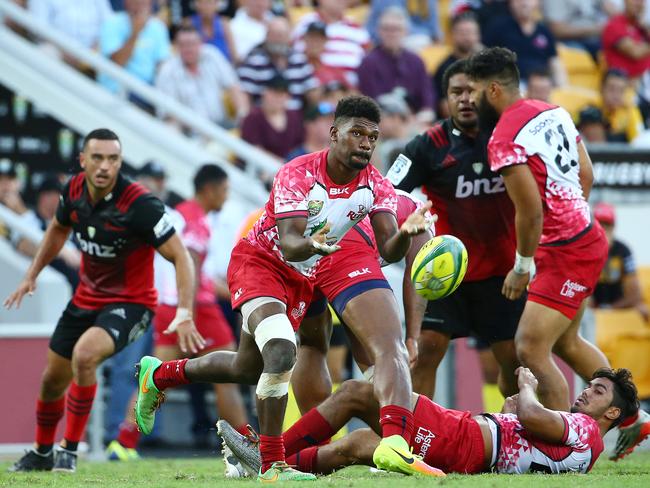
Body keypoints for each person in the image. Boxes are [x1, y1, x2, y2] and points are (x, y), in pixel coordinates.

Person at [133, 95, 438, 481]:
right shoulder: (297, 173)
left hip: (303, 277)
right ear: (334, 134)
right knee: (281, 350)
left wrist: (406, 234)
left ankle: (159, 376)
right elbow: (291, 242)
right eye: (356, 133)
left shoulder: (375, 184)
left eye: (372, 137)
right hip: (261, 264)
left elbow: (388, 248)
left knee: (247, 368)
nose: (365, 143)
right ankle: (273, 465)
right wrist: (316, 244)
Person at [5, 128, 200, 473]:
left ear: (120, 162)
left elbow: (181, 257)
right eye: (97, 158)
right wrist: (32, 273)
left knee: (85, 355)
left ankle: (69, 450)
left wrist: (185, 312)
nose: (105, 166)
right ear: (83, 161)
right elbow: (57, 229)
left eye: (113, 159)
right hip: (86, 297)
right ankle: (41, 451)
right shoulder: (75, 190)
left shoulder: (140, 205)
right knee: (52, 378)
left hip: (132, 303)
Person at [218, 367, 639, 476]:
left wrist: (527, 387)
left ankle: (268, 455)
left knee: (358, 393)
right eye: (591, 385)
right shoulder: (589, 448)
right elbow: (530, 437)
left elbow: (531, 413)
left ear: (612, 414)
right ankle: (277, 468)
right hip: (473, 446)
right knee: (361, 443)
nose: (586, 392)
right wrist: (512, 417)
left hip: (464, 440)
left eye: (598, 392)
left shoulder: (585, 429)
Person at [388, 59, 521, 401]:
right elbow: (388, 192)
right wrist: (404, 223)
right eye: (455, 92)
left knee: (513, 363)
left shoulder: (508, 137)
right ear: (445, 98)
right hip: (447, 274)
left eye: (470, 91)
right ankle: (418, 442)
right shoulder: (427, 145)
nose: (464, 99)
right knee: (427, 352)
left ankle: (518, 434)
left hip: (502, 274)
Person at [107, 164, 249, 459]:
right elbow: (193, 266)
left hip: (171, 306)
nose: (225, 197)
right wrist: (190, 313)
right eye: (224, 190)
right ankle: (246, 445)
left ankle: (124, 441)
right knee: (230, 371)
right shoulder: (195, 219)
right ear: (208, 190)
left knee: (157, 377)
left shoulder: (182, 214)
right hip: (196, 307)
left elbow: (200, 271)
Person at [155, 25, 248, 132]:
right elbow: (168, 114)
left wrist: (242, 117)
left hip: (221, 126)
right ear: (176, 47)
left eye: (192, 44)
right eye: (183, 45)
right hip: (190, 132)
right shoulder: (168, 71)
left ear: (200, 44)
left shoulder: (212, 55)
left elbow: (234, 87)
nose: (188, 49)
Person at [357, 7, 434, 125]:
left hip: (414, 123)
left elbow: (427, 103)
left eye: (396, 29)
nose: (391, 34)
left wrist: (416, 120)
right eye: (386, 29)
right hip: (381, 125)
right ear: (379, 31)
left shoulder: (416, 61)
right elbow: (369, 104)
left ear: (406, 31)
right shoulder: (368, 62)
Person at [237, 16, 318, 111]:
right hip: (264, 118)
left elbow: (313, 92)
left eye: (281, 35)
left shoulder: (299, 59)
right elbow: (244, 94)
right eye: (274, 34)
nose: (278, 39)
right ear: (266, 36)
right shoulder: (253, 60)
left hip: (296, 117)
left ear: (289, 37)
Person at [14, 175, 80, 289]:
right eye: (57, 195)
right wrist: (59, 251)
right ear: (44, 197)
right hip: (54, 283)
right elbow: (23, 245)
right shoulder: (29, 218)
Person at [98, 0, 171, 103]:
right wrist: (135, 33)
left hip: (148, 92)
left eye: (144, 2)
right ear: (126, 3)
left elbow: (162, 65)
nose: (140, 5)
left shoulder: (158, 27)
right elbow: (117, 62)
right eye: (136, 2)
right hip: (117, 91)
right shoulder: (112, 23)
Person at [482, 0, 567, 87]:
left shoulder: (544, 31)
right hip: (509, 85)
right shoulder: (497, 27)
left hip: (541, 85)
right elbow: (483, 55)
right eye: (518, 0)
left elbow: (554, 62)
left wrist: (562, 87)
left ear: (538, 3)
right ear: (510, 3)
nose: (524, 3)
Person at [292, 0, 370, 88]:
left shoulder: (358, 29)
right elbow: (297, 58)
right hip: (316, 88)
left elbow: (368, 62)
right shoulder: (305, 24)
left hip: (353, 90)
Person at [592, 202, 649, 322]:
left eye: (607, 225)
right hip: (592, 306)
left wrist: (610, 309)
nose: (603, 230)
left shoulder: (623, 251)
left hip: (617, 304)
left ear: (613, 227)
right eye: (599, 225)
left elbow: (634, 291)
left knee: (642, 309)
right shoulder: (584, 250)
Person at [240, 74, 305, 161]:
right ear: (265, 93)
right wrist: (282, 164)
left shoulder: (294, 117)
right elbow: (254, 148)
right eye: (275, 93)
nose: (278, 98)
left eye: (282, 94)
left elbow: (300, 145)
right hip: (259, 166)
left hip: (288, 168)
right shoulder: (253, 117)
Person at [432, 12, 482, 119]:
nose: (466, 37)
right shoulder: (444, 69)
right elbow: (445, 108)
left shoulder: (485, 65)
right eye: (462, 33)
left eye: (470, 32)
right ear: (453, 35)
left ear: (478, 35)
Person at [542, 0, 616, 60]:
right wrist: (595, 30)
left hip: (597, 36)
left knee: (620, 42)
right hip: (571, 41)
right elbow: (556, 30)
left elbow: (613, 10)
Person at [602, 0, 650, 79]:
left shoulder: (642, 27)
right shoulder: (614, 25)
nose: (638, 4)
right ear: (625, 1)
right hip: (626, 83)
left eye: (641, 1)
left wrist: (645, 27)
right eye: (635, 1)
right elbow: (636, 52)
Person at [599, 69, 644, 143]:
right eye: (611, 89)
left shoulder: (630, 110)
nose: (616, 95)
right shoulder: (593, 108)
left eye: (621, 90)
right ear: (602, 88)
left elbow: (637, 141)